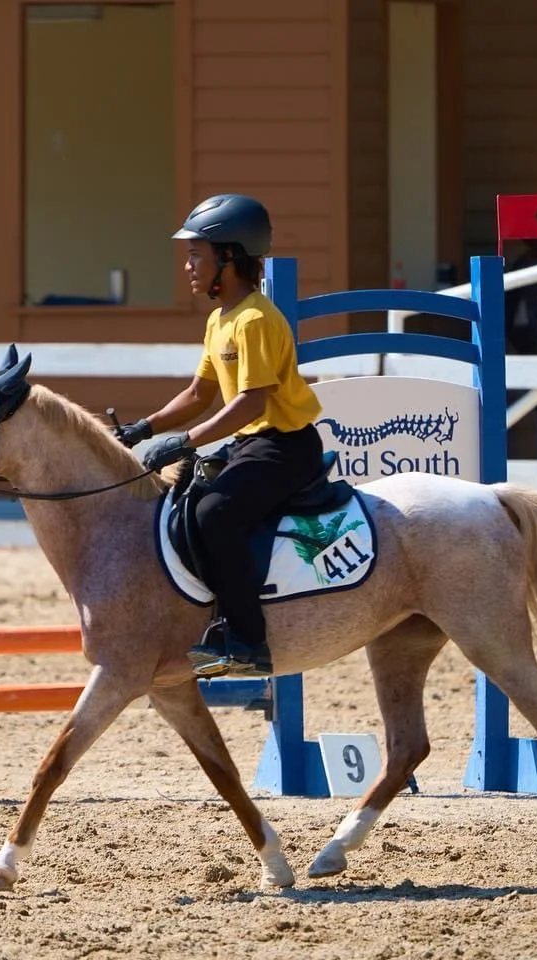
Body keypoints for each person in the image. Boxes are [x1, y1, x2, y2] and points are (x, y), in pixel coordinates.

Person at [114, 194, 324, 678]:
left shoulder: (255, 320)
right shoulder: (220, 319)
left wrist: (185, 442)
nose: (187, 265)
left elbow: (251, 402)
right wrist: (142, 428)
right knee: (184, 502)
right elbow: (197, 394)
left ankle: (248, 641)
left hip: (283, 447)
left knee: (215, 514)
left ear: (227, 256)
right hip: (251, 444)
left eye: (195, 254)